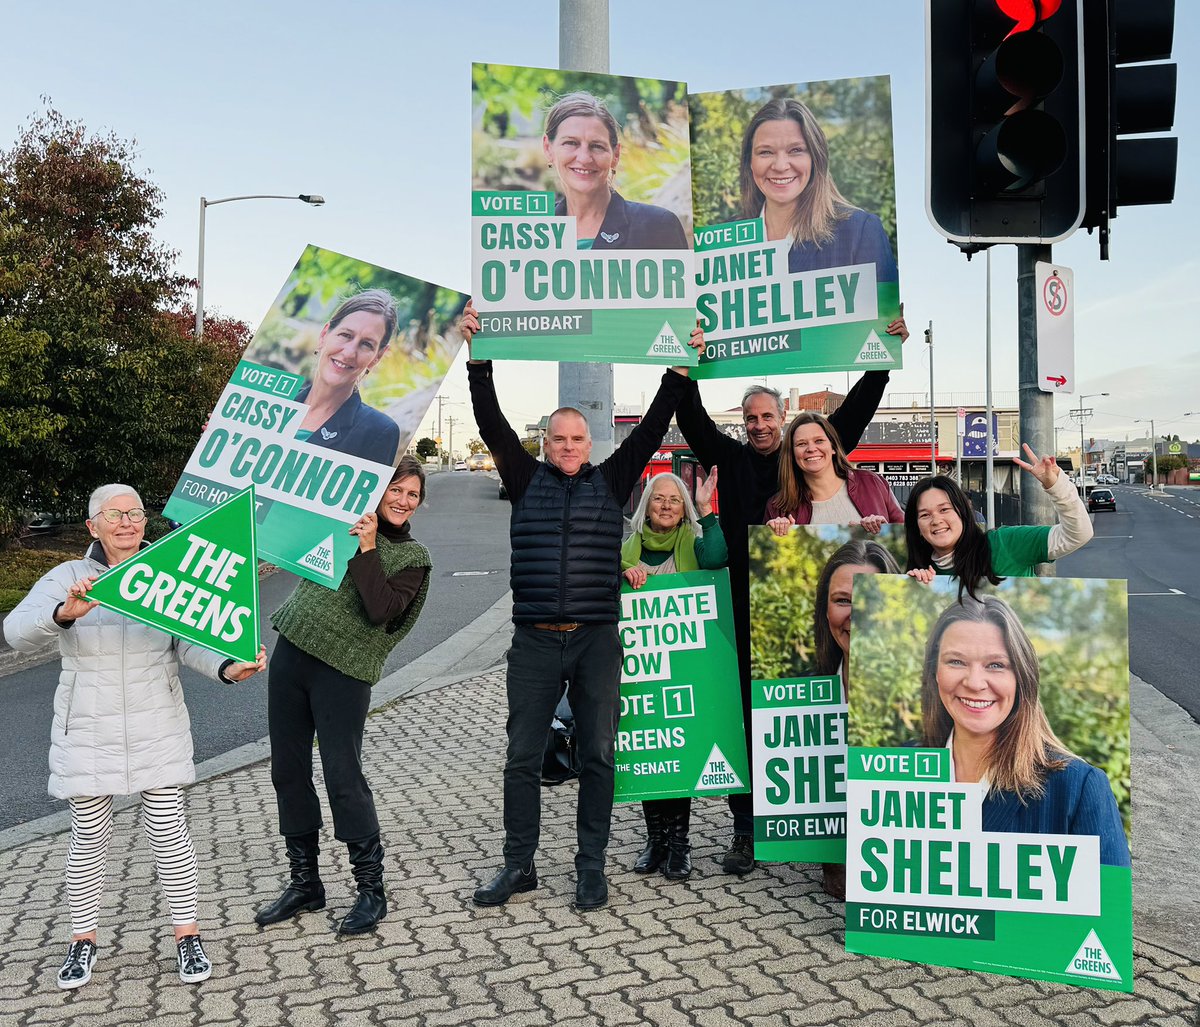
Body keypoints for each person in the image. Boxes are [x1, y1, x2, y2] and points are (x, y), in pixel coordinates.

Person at [460, 301, 696, 912]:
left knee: (597, 755)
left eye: (576, 439)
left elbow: (651, 427)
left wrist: (680, 366)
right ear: (546, 441)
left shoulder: (612, 480)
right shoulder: (523, 475)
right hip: (534, 640)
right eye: (557, 438)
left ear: (590, 443)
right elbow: (488, 420)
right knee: (522, 757)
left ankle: (591, 866)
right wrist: (477, 356)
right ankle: (519, 865)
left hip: (595, 639)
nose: (567, 446)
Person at [4, 484, 266, 990]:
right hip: (87, 726)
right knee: (88, 839)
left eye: (136, 513)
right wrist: (64, 613)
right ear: (92, 526)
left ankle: (187, 936)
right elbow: (16, 632)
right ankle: (83, 941)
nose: (127, 522)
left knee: (170, 834)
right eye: (114, 514)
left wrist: (230, 667)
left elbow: (192, 644)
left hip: (156, 722)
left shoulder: (167, 573)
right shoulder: (68, 578)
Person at [674, 314, 907, 876]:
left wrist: (883, 351)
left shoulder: (803, 459)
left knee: (820, 716)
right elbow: (691, 417)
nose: (758, 425)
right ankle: (747, 832)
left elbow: (856, 410)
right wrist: (687, 358)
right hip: (742, 611)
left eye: (767, 417)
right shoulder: (727, 457)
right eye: (750, 418)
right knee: (748, 723)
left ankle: (825, 825)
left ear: (784, 420)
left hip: (815, 615)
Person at [256, 457, 432, 935]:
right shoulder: (340, 521)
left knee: (342, 775)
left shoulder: (414, 559)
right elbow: (288, 483)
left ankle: (371, 890)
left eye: (412, 495)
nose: (402, 500)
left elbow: (380, 611)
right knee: (287, 770)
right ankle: (306, 884)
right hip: (293, 652)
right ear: (379, 490)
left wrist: (369, 547)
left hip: (344, 671)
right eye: (396, 489)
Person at [920, 594, 1130, 866]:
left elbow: (1109, 905)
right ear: (934, 671)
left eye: (996, 665)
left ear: (1022, 677)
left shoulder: (1078, 788)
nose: (974, 682)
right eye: (956, 661)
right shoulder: (894, 771)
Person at [620, 469, 726, 881]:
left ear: (683, 511)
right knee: (650, 755)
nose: (666, 505)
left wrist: (707, 510)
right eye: (659, 498)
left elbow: (717, 559)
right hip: (641, 671)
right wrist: (620, 575)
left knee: (678, 756)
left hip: (687, 669)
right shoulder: (626, 550)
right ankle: (655, 840)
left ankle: (680, 844)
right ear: (646, 504)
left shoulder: (692, 543)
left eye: (674, 500)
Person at [809, 538, 899, 899]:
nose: (855, 614)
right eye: (843, 600)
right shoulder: (805, 687)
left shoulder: (925, 697)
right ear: (825, 608)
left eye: (870, 599)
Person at [739, 97, 897, 280]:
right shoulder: (726, 239)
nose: (780, 166)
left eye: (795, 150)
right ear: (749, 162)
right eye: (765, 152)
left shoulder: (860, 232)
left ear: (816, 158)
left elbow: (885, 309)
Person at [904, 444, 1094, 596]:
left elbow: (1078, 535)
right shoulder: (923, 573)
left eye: (944, 509)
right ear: (917, 527)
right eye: (925, 515)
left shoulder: (1005, 543)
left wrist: (1057, 486)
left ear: (962, 512)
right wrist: (919, 591)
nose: (936, 520)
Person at [544, 91, 687, 250]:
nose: (584, 158)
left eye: (597, 146)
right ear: (548, 148)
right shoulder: (527, 231)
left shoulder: (658, 226)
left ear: (616, 155)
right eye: (571, 143)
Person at [294, 290, 403, 465]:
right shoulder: (272, 402)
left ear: (377, 357)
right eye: (345, 335)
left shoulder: (378, 432)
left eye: (366, 344)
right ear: (324, 335)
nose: (350, 353)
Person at [764, 412, 903, 534]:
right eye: (801, 444)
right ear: (792, 454)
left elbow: (911, 537)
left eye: (819, 441)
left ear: (833, 447)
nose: (811, 448)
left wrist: (888, 529)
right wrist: (777, 536)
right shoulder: (777, 508)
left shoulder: (872, 483)